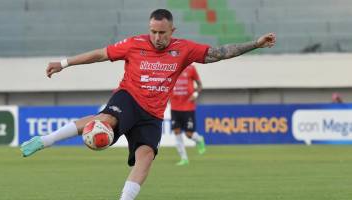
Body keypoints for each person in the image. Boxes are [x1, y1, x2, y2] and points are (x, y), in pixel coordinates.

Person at [20, 9, 276, 200]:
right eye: (153, 31)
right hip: (128, 98)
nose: (156, 36)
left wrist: (255, 44)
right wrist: (64, 64)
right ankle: (45, 140)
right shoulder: (135, 44)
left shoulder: (184, 49)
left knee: (146, 158)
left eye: (161, 32)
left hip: (153, 113)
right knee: (106, 121)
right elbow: (99, 54)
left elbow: (219, 53)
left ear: (172, 31)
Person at [169, 64, 205, 166]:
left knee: (189, 134)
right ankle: (184, 158)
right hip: (174, 107)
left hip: (188, 107)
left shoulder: (191, 68)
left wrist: (195, 95)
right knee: (177, 132)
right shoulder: (171, 67)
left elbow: (200, 85)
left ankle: (199, 139)